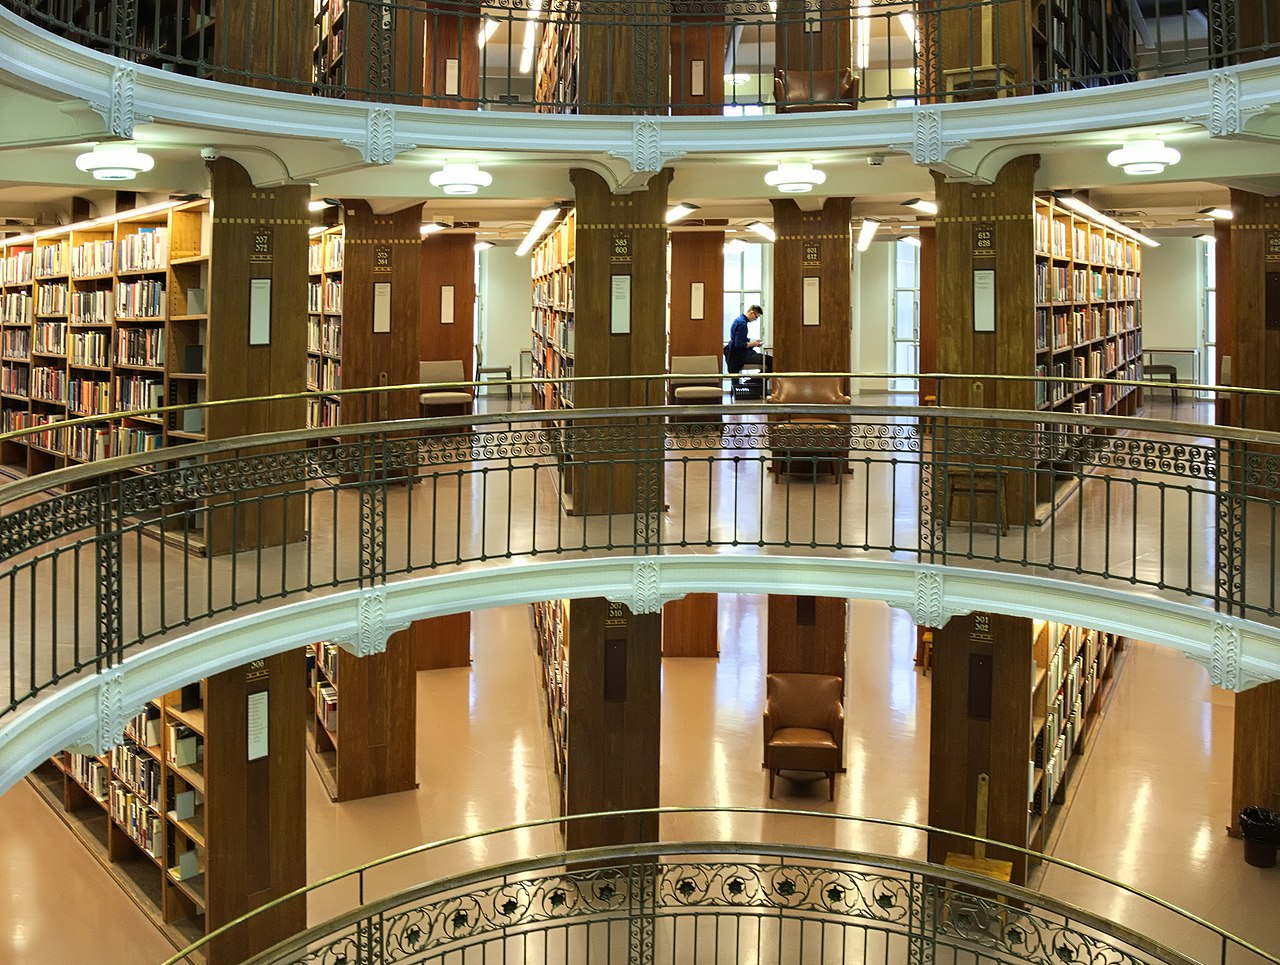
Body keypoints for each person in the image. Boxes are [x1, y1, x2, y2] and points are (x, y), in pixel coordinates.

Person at [724, 304, 765, 374]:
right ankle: (756, 380)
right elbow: (739, 344)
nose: (755, 320)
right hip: (740, 355)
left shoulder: (739, 320)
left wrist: (751, 341)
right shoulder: (742, 324)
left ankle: (755, 380)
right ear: (751, 313)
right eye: (756, 317)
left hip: (734, 354)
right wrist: (754, 344)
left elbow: (740, 339)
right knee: (771, 361)